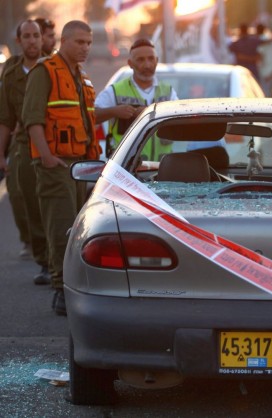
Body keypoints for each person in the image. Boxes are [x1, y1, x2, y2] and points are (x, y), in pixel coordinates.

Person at [22, 20, 101, 315]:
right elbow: (32, 119)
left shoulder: (80, 76)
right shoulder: (45, 72)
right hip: (56, 165)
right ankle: (60, 290)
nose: (85, 48)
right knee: (61, 229)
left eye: (89, 43)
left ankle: (73, 287)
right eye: (80, 42)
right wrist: (46, 157)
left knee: (78, 230)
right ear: (64, 41)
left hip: (79, 165)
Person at [0, 19, 50, 284]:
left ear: (43, 39)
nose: (32, 41)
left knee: (51, 204)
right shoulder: (11, 74)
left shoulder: (54, 69)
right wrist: (1, 154)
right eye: (27, 36)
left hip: (51, 142)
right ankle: (43, 260)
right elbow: (5, 118)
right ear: (19, 41)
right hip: (21, 144)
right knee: (27, 200)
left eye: (36, 35)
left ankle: (57, 259)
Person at [95, 38, 178, 159]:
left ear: (157, 60)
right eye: (140, 60)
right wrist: (115, 111)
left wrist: (148, 112)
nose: (147, 65)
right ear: (130, 63)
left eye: (151, 59)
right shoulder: (115, 91)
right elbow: (92, 116)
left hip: (162, 168)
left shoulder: (168, 92)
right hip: (126, 169)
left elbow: (178, 121)